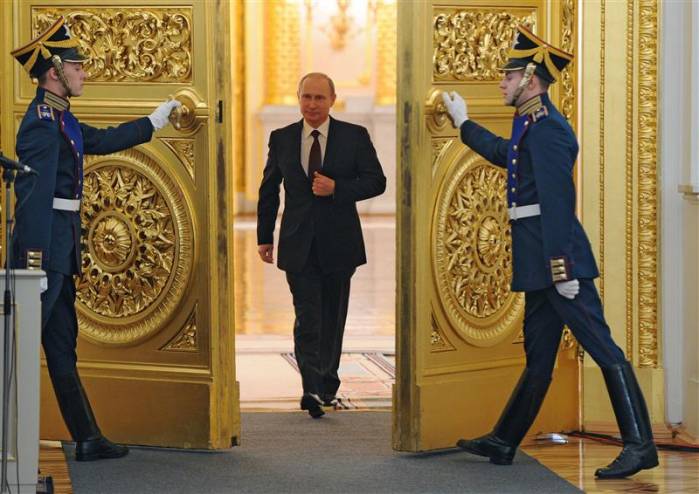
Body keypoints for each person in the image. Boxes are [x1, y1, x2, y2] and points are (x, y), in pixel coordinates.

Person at [441, 25, 658, 479]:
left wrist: (562, 268)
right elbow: (507, 154)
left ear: (530, 79)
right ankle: (504, 441)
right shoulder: (531, 123)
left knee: (603, 348)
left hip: (558, 264)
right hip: (540, 264)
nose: (502, 83)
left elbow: (558, 202)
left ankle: (640, 445)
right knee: (539, 358)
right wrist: (464, 125)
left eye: (508, 76)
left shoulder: (550, 129)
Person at [10, 17, 180, 461]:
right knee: (16, 351)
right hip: (45, 255)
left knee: (60, 346)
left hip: (59, 251)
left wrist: (152, 121)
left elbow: (100, 140)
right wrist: (33, 266)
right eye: (77, 67)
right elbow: (33, 202)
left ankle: (87, 437)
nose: (84, 73)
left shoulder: (59, 118)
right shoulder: (41, 125)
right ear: (54, 72)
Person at [257, 73, 386, 418]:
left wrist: (338, 189)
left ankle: (328, 383)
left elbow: (376, 181)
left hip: (339, 243)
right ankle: (311, 388)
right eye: (306, 97)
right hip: (297, 242)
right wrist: (264, 236)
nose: (312, 104)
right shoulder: (282, 138)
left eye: (319, 98)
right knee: (307, 317)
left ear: (332, 100)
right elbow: (269, 190)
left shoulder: (354, 136)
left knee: (332, 317)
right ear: (298, 98)